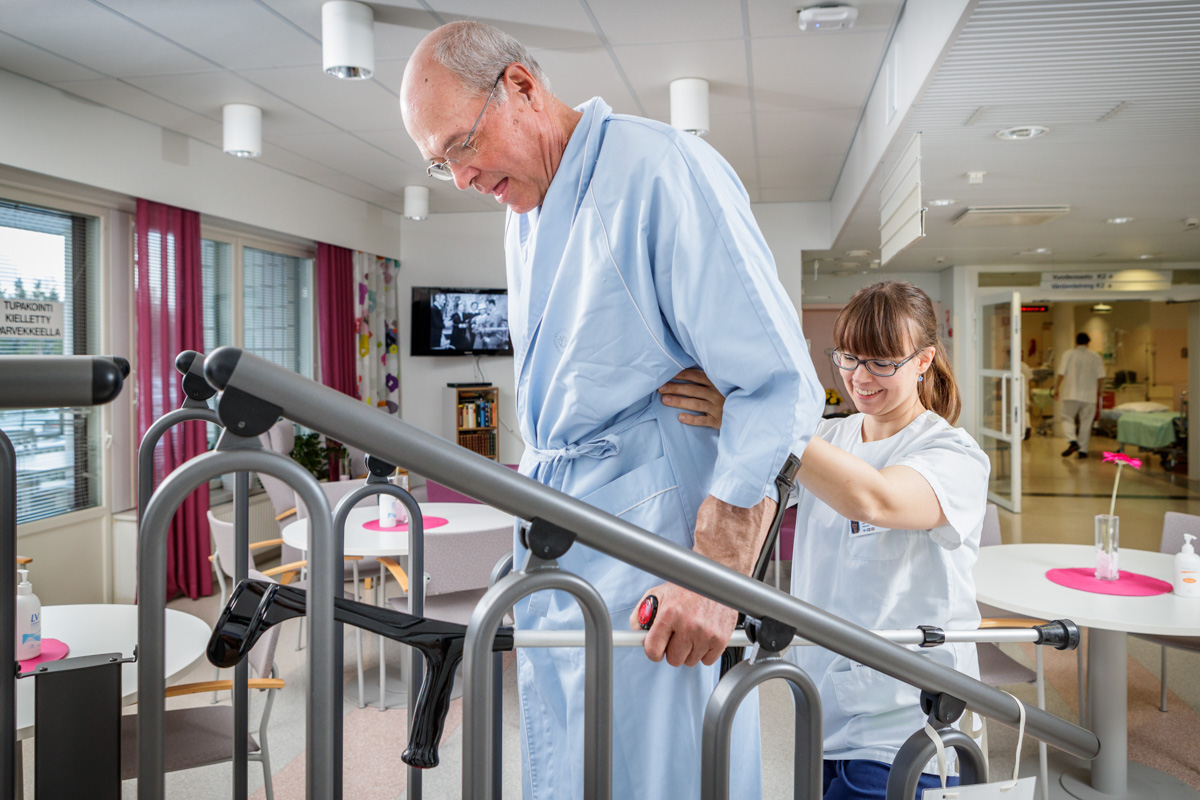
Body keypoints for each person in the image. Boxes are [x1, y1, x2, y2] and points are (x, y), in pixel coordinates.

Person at [400, 20, 824, 800]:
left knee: (663, 775)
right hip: (571, 538)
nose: (458, 177)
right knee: (577, 766)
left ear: (522, 88)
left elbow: (778, 383)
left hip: (654, 548)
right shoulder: (524, 215)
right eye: (439, 162)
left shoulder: (659, 170)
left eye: (462, 145)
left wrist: (715, 575)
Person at [659, 281, 989, 800]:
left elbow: (875, 499)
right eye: (849, 358)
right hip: (822, 715)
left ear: (924, 360)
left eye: (882, 362)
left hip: (906, 725)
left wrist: (764, 422)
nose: (860, 377)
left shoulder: (952, 454)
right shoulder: (832, 437)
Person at [1053, 332, 1106, 458]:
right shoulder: (1095, 356)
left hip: (1071, 394)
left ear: (1075, 341)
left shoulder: (1068, 354)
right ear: (1088, 342)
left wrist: (1056, 387)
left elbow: (1061, 373)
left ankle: (1072, 441)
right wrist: (1099, 391)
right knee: (1086, 423)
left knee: (1067, 417)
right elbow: (1101, 376)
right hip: (1089, 396)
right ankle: (1083, 451)